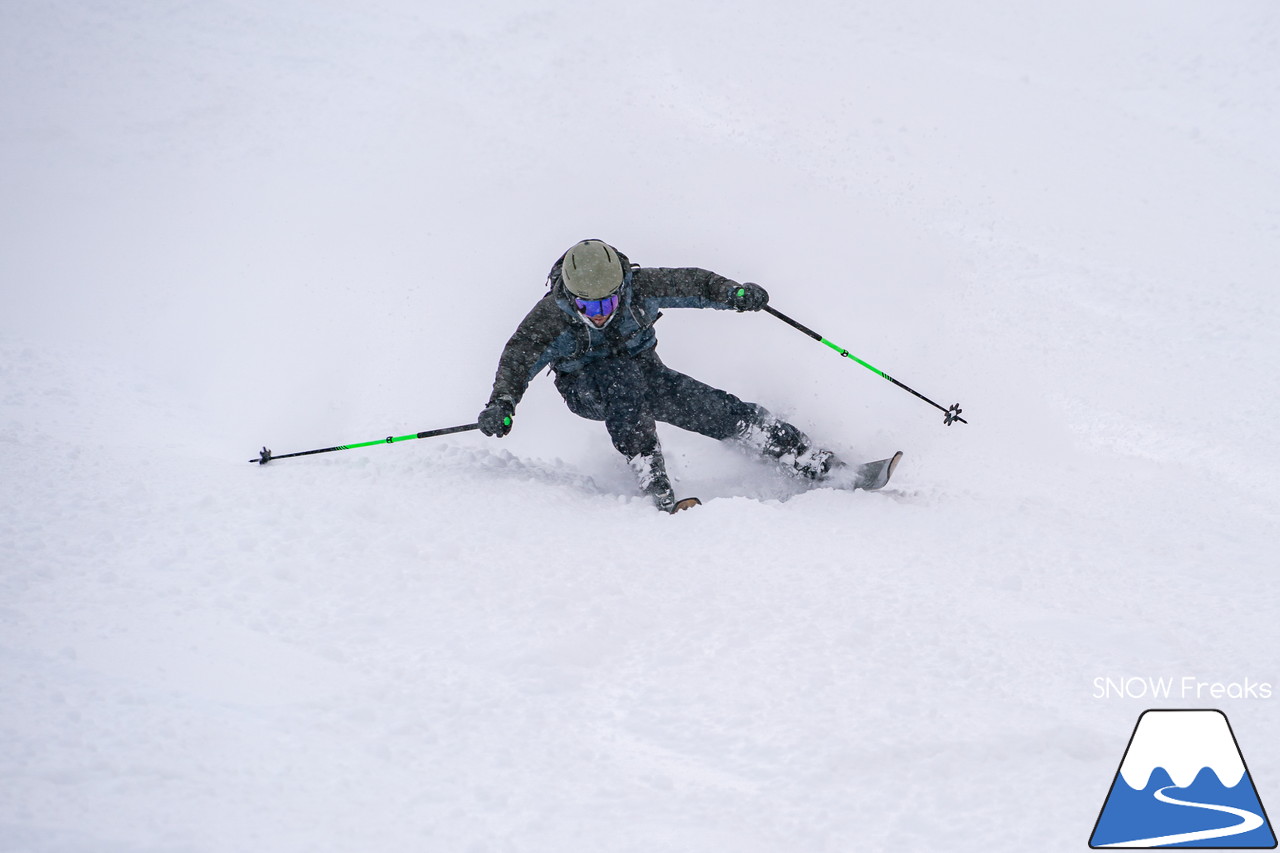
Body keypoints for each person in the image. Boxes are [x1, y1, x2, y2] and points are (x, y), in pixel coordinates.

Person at [477, 239, 841, 512]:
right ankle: (651, 475)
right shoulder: (549, 320)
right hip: (587, 390)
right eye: (589, 306)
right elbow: (517, 361)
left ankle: (807, 458)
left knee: (713, 407)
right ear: (571, 298)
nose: (600, 313)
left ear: (622, 289)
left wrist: (735, 293)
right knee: (620, 379)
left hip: (646, 375)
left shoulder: (642, 287)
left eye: (608, 302)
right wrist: (502, 404)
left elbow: (695, 283)